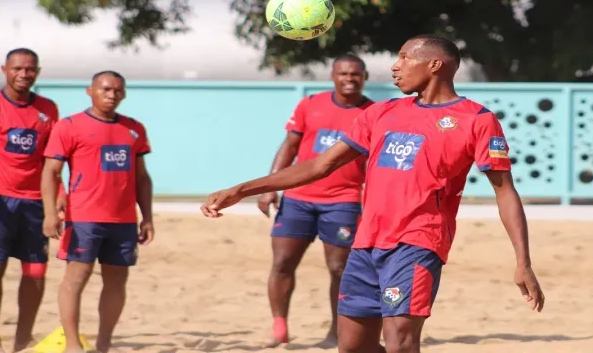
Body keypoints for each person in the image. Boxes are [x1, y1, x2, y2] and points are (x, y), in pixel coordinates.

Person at [201, 34, 545, 353]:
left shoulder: (476, 120)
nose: (395, 66)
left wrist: (523, 262)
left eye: (404, 58)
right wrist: (242, 189)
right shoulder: (381, 113)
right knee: (352, 347)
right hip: (366, 243)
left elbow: (505, 191)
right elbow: (319, 166)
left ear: (434, 65)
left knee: (399, 340)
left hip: (418, 242)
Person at [257, 54, 374, 346]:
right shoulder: (311, 105)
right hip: (298, 197)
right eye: (344, 74)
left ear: (365, 77)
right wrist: (270, 185)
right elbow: (290, 145)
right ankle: (279, 328)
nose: (350, 79)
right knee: (282, 262)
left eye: (356, 74)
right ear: (333, 76)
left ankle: (336, 332)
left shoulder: (374, 112)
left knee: (339, 269)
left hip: (343, 200)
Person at [41, 71, 155, 353]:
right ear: (90, 91)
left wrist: (148, 217)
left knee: (117, 281)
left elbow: (142, 178)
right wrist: (50, 213)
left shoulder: (134, 129)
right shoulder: (69, 126)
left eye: (118, 90)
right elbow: (50, 172)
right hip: (83, 219)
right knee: (75, 280)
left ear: (124, 94)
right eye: (105, 89)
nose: (111, 95)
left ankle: (104, 344)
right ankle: (72, 344)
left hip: (124, 220)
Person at [0, 48, 65, 353]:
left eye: (30, 69)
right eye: (17, 69)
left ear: (37, 72)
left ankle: (22, 339)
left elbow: (52, 161)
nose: (24, 74)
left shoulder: (48, 110)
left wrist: (61, 196)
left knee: (36, 270)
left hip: (35, 202)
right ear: (4, 70)